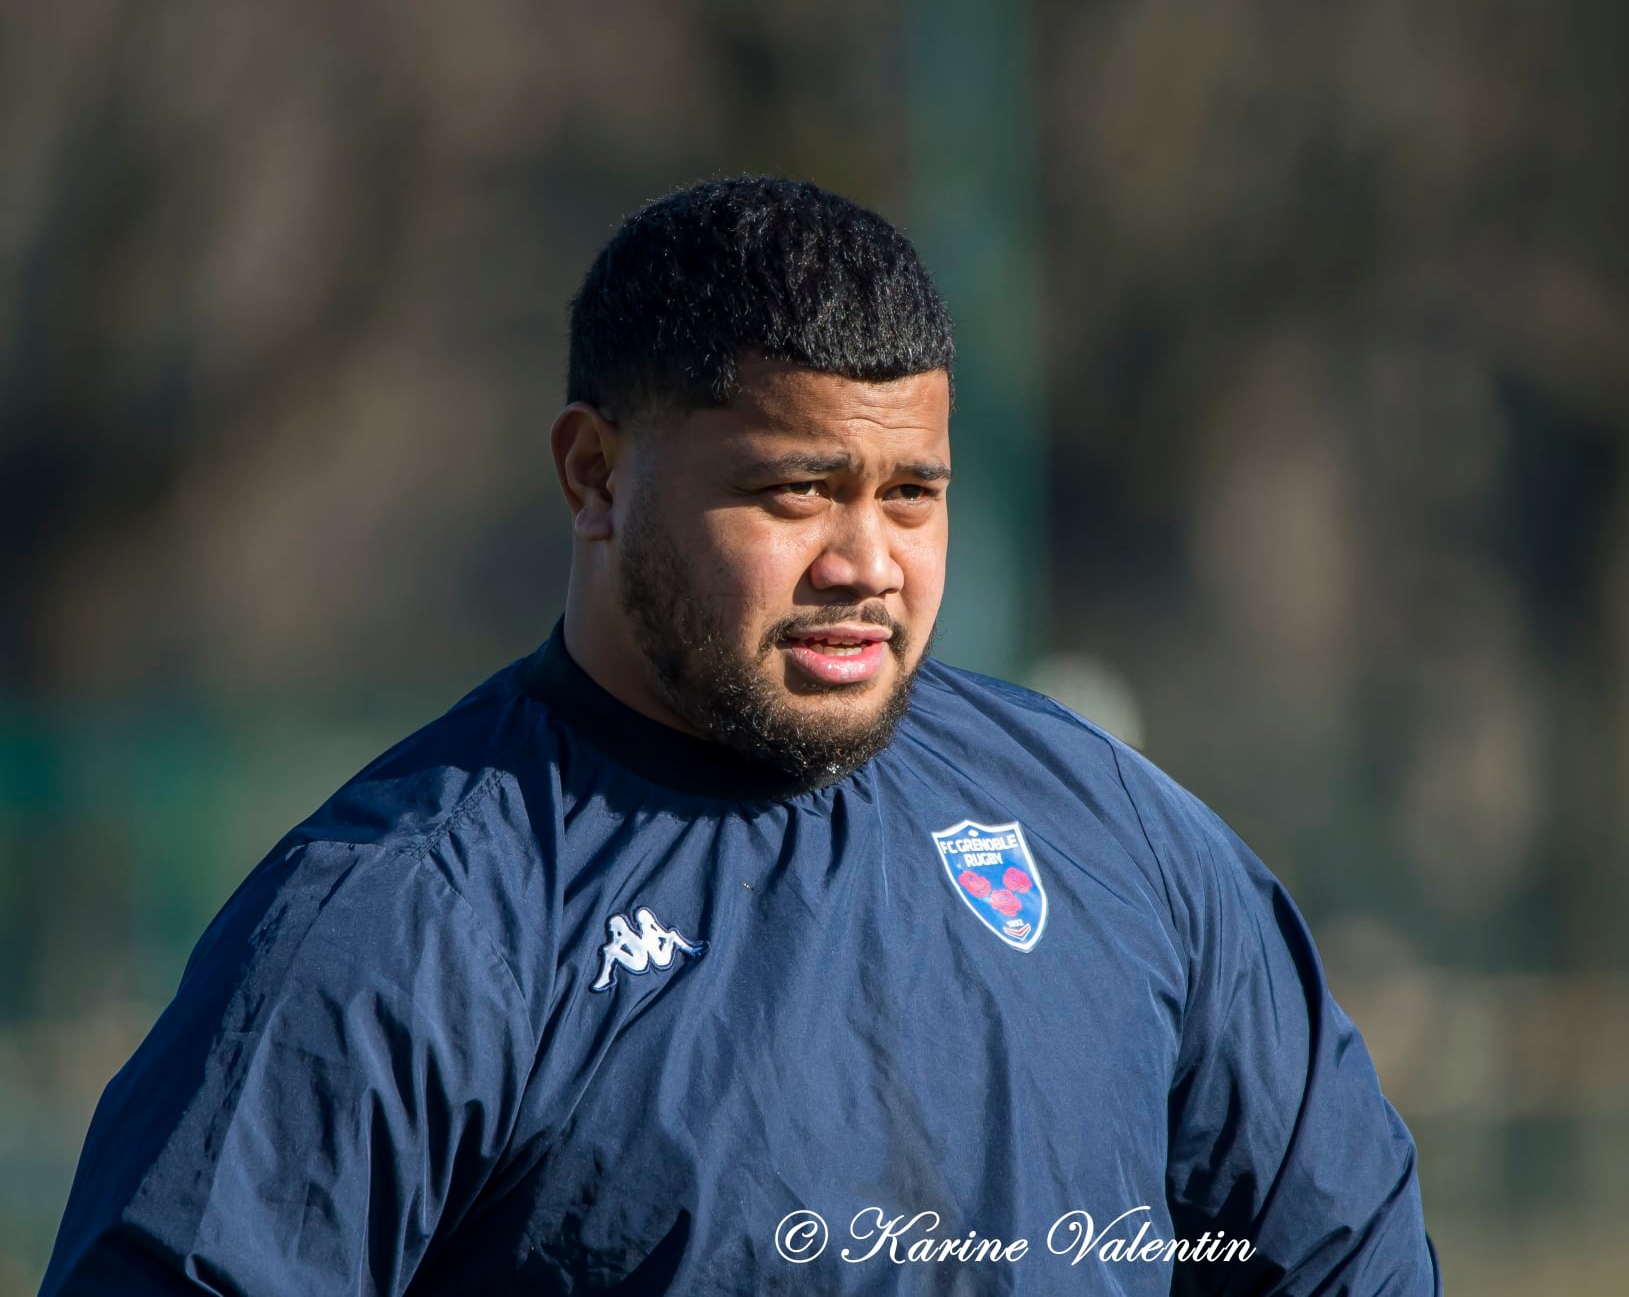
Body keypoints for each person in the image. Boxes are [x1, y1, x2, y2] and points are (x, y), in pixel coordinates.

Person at [43, 176, 1441, 1295]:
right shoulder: (408, 922)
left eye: (911, 493)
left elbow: (1340, 1243)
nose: (868, 562)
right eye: (797, 492)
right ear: (596, 475)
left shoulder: (1105, 830)